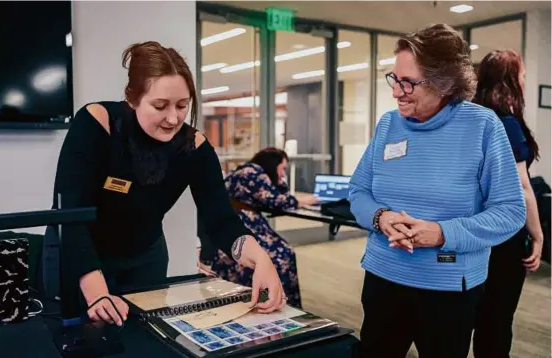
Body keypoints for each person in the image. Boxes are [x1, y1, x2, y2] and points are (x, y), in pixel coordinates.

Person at [53, 41, 286, 326]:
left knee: (144, 340)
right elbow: (69, 215)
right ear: (132, 98)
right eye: (160, 106)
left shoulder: (194, 147)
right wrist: (98, 293)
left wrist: (261, 258)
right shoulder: (98, 123)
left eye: (182, 105)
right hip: (80, 255)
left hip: (144, 258)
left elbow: (221, 220)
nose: (173, 118)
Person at [348, 24, 526, 358]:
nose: (396, 92)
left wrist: (442, 233)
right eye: (394, 78)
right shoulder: (388, 124)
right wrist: (380, 217)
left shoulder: (484, 127)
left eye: (408, 83)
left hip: (448, 292)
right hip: (384, 278)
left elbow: (510, 212)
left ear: (445, 83)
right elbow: (358, 190)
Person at [472, 49, 544, 358]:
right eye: (523, 75)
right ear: (510, 81)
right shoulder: (506, 124)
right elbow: (523, 187)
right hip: (504, 235)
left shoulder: (472, 119)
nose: (526, 81)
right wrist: (539, 235)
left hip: (476, 231)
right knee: (498, 320)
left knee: (479, 315)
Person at [200, 148, 319, 308]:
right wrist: (306, 200)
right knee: (284, 254)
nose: (283, 173)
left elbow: (276, 191)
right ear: (272, 164)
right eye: (282, 168)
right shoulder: (252, 172)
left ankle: (275, 299)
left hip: (233, 222)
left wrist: (279, 180)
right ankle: (283, 304)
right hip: (237, 224)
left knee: (282, 251)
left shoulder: (249, 171)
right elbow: (276, 201)